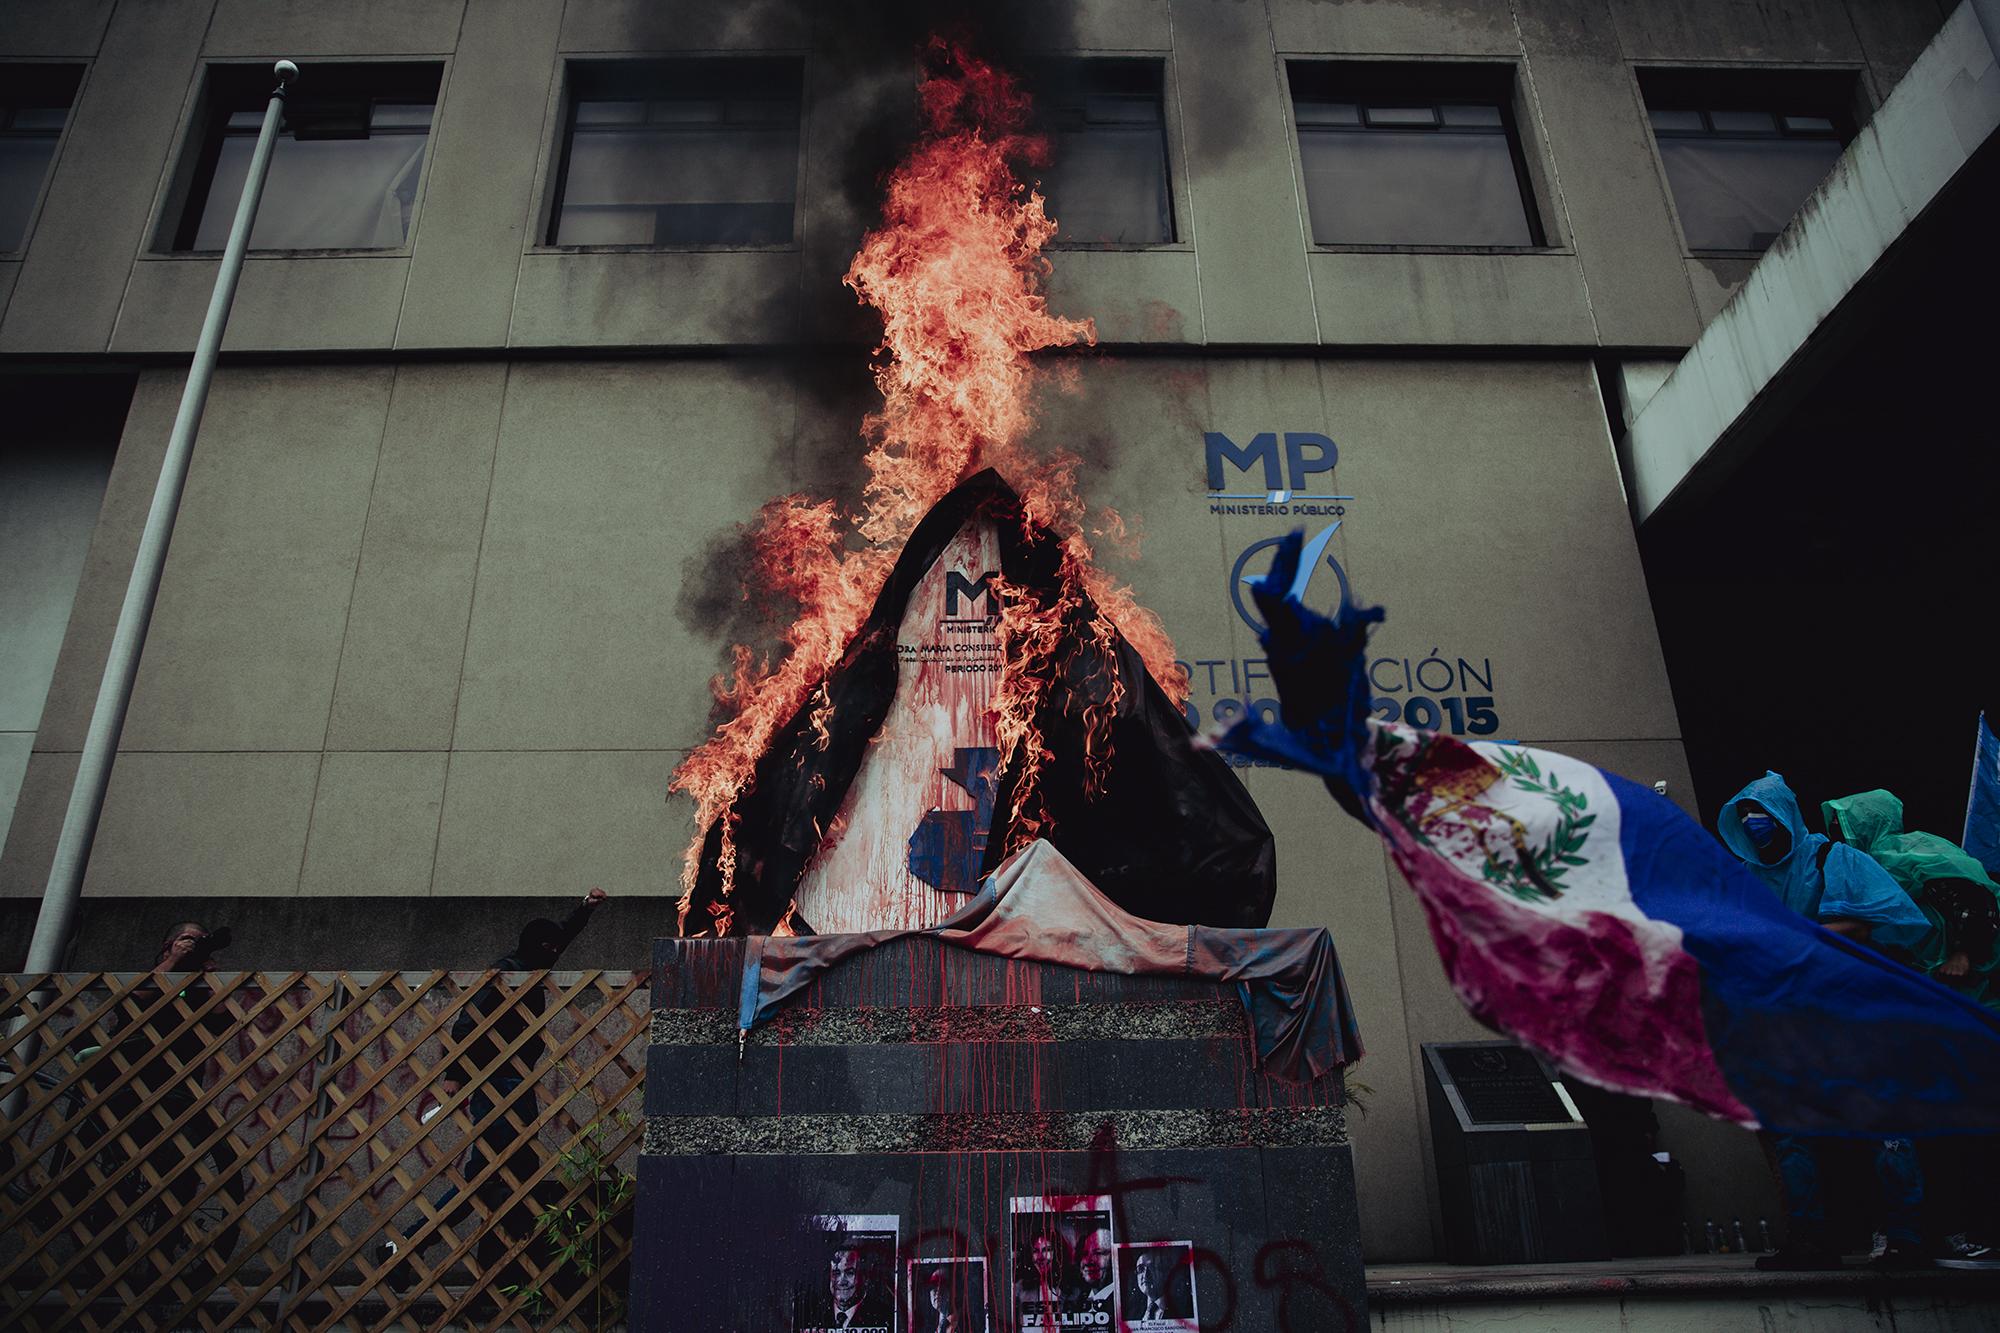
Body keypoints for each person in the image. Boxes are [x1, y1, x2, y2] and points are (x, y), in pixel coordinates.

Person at [1718, 775, 1931, 1269]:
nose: (1755, 822)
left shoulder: (1833, 859)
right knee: (1792, 1131)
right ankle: (1810, 1238)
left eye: (1763, 812)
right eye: (1746, 813)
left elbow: (1868, 918)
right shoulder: (1741, 875)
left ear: (1785, 813)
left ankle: (1905, 1235)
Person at [375, 890, 607, 1272]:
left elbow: (561, 935)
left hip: (514, 1082)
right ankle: (402, 1249)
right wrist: (454, 1075)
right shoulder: (508, 972)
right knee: (486, 1178)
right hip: (498, 1082)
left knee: (513, 1177)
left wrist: (585, 909)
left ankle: (496, 1264)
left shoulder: (531, 964)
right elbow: (470, 1021)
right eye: (551, 947)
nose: (555, 953)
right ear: (541, 946)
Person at [1826, 789, 2000, 1265]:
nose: (1842, 833)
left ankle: (1964, 1230)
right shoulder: (1864, 867)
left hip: (1952, 1001)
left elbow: (1974, 897)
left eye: (1845, 824)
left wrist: (1962, 954)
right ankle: (1930, 1231)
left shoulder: (1908, 852)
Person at [1074, 1225, 1115, 1311]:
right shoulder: (1078, 1301)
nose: (1087, 1261)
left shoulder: (1128, 1302)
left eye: (1098, 1253)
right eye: (1084, 1254)